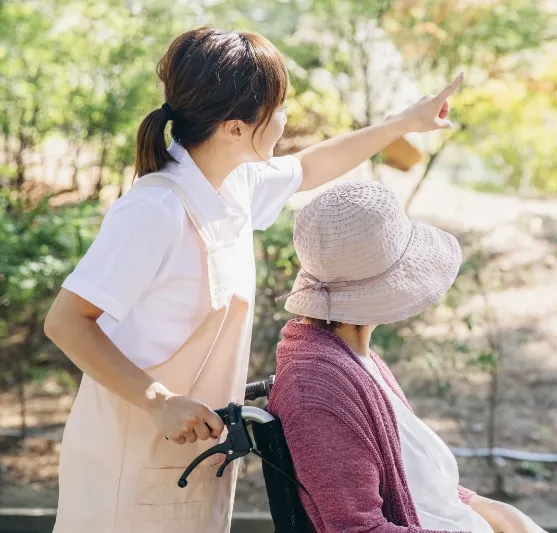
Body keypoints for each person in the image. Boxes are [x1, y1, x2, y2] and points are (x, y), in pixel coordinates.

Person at [44, 27, 464, 533]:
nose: (286, 118)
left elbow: (311, 167)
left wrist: (404, 123)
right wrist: (158, 401)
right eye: (278, 107)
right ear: (235, 128)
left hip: (196, 458)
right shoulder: (155, 210)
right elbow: (66, 321)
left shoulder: (234, 185)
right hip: (129, 458)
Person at [271, 180, 547, 533]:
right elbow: (357, 530)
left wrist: (504, 516)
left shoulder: (353, 357)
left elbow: (422, 489)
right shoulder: (318, 387)